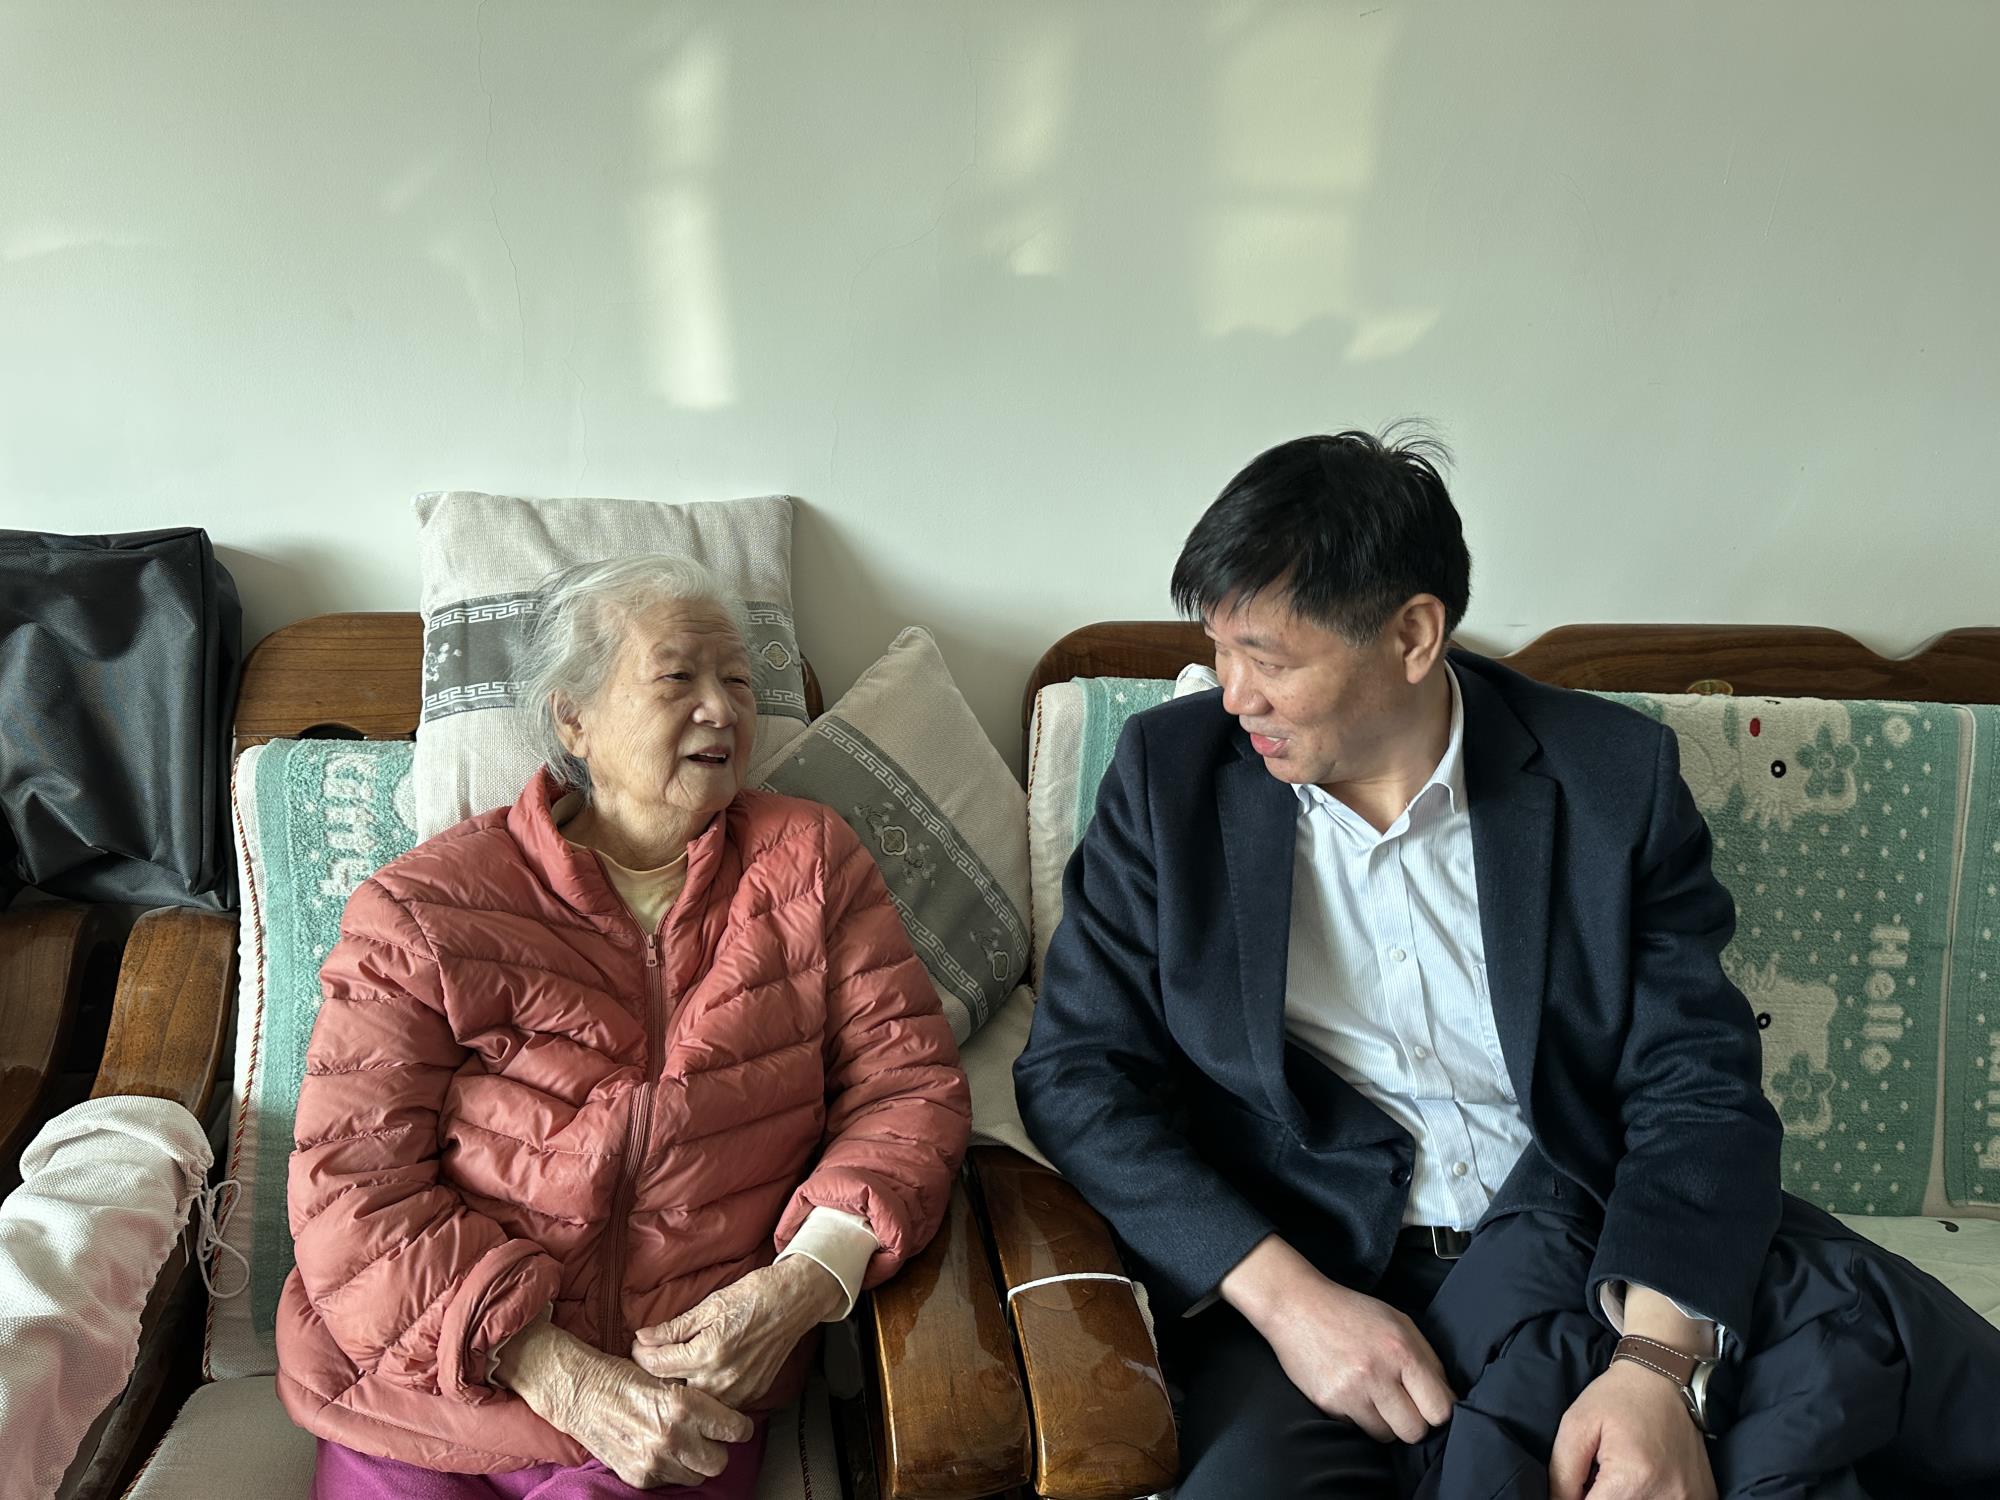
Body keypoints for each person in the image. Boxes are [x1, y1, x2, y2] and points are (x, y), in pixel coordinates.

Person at [1013, 430, 2000, 1499]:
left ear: (1412, 635)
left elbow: (1694, 1083)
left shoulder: (1608, 778)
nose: (1232, 693)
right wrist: (1287, 1302)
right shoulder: (1168, 778)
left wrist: (1656, 1369)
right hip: (1317, 1267)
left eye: (1271, 659)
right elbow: (1077, 1073)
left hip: (1583, 1243)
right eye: (1220, 649)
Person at [276, 555, 971, 1498]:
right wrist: (550, 1367)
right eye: (678, 677)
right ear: (574, 719)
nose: (722, 708)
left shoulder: (809, 863)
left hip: (679, 1388)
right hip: (422, 1385)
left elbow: (909, 1092)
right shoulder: (424, 907)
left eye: (738, 681)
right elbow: (351, 1184)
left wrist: (807, 1280)